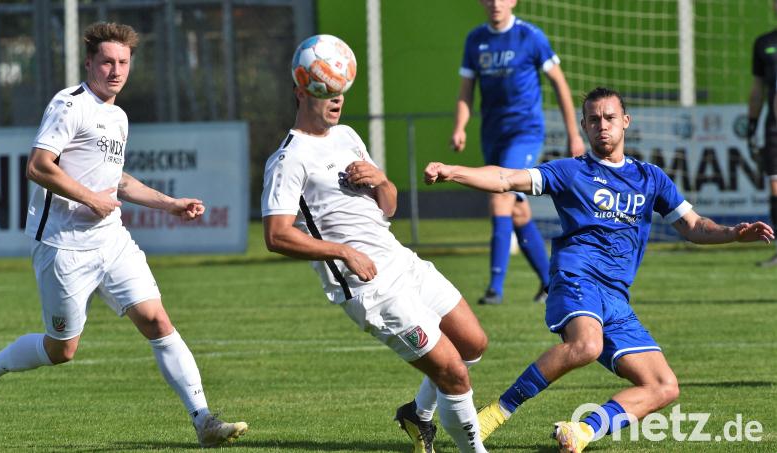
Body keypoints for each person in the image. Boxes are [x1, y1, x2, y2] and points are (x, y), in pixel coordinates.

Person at [426, 87, 774, 452]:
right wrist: (453, 171)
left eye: (609, 118)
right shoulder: (571, 172)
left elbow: (694, 226)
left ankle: (581, 431)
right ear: (584, 126)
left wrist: (733, 233)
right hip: (577, 280)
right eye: (594, 120)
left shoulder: (650, 178)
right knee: (587, 345)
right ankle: (494, 415)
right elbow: (505, 179)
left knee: (664, 386)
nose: (602, 126)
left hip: (616, 299)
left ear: (626, 122)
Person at [0, 22, 247, 448]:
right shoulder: (69, 105)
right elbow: (39, 166)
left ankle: (204, 420)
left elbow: (117, 182)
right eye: (107, 62)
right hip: (63, 248)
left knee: (157, 320)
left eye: (123, 62)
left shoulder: (117, 116)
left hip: (111, 241)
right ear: (89, 63)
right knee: (62, 350)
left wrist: (168, 203)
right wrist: (90, 199)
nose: (115, 70)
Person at [262, 36, 490, 453]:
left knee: (473, 343)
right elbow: (276, 236)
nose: (336, 100)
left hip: (400, 261)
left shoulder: (347, 135)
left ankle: (417, 415)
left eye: (340, 91)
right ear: (300, 91)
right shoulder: (287, 160)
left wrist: (382, 179)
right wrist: (343, 251)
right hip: (369, 288)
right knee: (454, 374)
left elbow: (387, 208)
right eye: (325, 90)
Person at [451, 0, 585, 305]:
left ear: (513, 1)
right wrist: (460, 127)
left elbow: (560, 85)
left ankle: (495, 289)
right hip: (492, 136)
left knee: (500, 198)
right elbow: (465, 92)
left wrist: (574, 134)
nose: (496, 3)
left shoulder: (530, 36)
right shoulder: (475, 40)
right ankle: (550, 283)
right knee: (518, 210)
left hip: (525, 133)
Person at [747, 1, 777, 266]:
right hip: (774, 126)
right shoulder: (764, 43)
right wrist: (752, 123)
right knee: (776, 187)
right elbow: (757, 90)